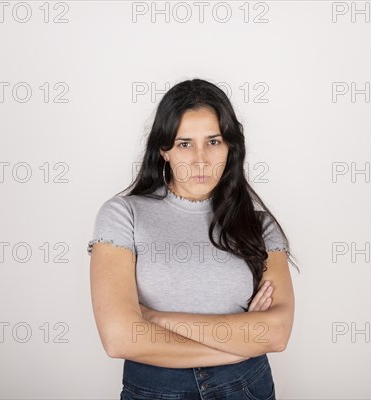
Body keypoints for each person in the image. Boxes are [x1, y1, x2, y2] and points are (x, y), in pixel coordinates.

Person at [87, 78, 300, 400]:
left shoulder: (259, 226)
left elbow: (277, 334)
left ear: (231, 146)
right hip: (155, 390)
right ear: (164, 150)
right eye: (184, 143)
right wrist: (239, 346)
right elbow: (121, 339)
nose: (200, 159)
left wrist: (155, 318)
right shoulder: (123, 214)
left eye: (213, 141)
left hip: (244, 389)